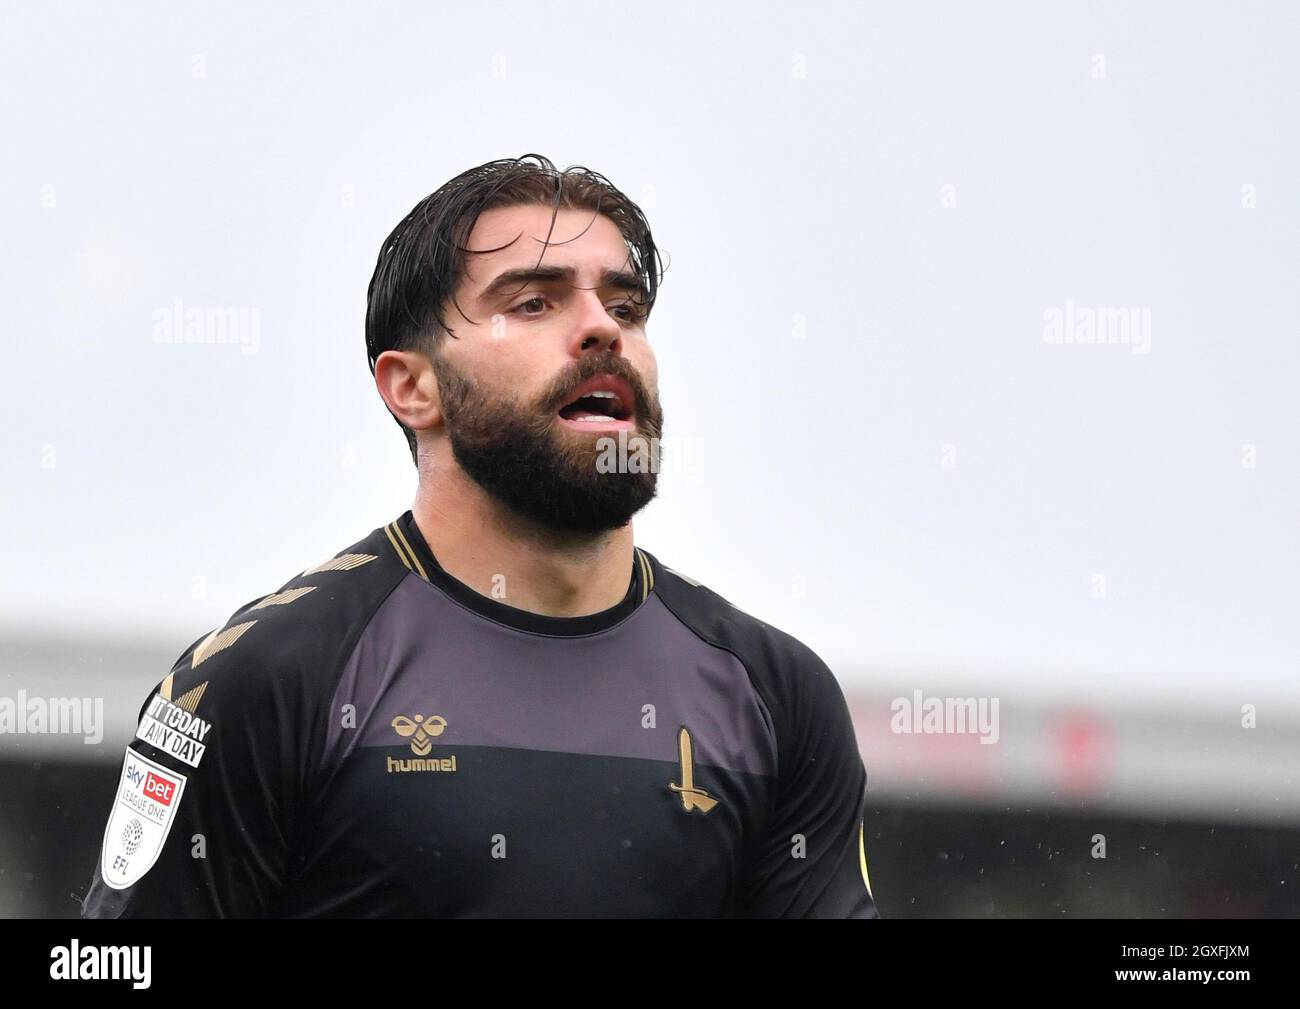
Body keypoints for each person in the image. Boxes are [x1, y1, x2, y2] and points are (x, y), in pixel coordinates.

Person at [80, 154, 877, 918]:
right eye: (535, 302)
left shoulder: (779, 696)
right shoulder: (269, 679)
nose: (602, 329)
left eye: (625, 307)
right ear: (413, 388)